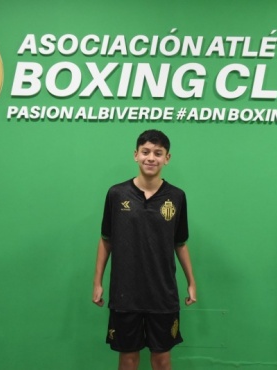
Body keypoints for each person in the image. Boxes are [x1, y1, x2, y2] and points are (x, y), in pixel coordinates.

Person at [92, 129, 197, 370]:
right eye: (146, 152)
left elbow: (180, 243)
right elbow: (106, 240)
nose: (151, 158)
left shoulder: (177, 197)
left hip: (162, 294)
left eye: (158, 153)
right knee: (128, 359)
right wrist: (97, 282)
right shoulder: (116, 194)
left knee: (161, 359)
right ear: (136, 155)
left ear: (167, 158)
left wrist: (191, 281)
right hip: (125, 294)